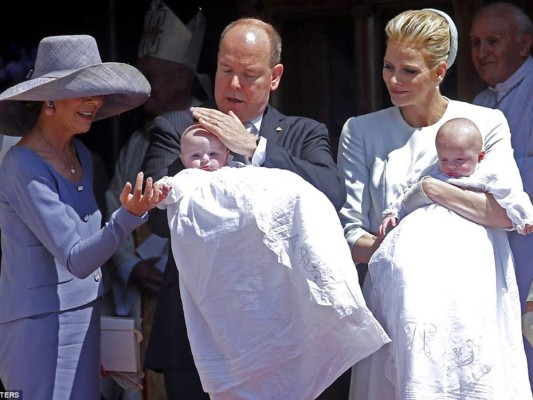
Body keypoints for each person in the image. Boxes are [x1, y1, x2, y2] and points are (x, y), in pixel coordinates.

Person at [142, 17, 347, 400]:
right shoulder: (177, 128)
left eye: (249, 75)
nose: (234, 85)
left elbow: (332, 195)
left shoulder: (303, 133)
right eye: (226, 71)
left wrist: (256, 150)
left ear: (275, 76)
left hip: (281, 333)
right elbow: (157, 218)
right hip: (195, 334)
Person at [337, 8, 532, 399]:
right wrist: (400, 257)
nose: (394, 79)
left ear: (440, 72)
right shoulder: (360, 130)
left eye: (409, 71)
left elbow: (505, 212)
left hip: (471, 305)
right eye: (388, 66)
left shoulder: (485, 122)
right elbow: (349, 232)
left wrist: (432, 190)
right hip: (397, 304)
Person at [0, 34, 168, 400]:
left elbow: (89, 256)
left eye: (97, 92)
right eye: (82, 91)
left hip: (85, 320)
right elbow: (76, 256)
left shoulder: (82, 156)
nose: (94, 102)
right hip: (36, 330)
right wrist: (129, 215)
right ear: (48, 99)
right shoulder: (22, 165)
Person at [102, 2, 209, 398]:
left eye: (152, 76)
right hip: (138, 289)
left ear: (182, 77)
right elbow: (113, 203)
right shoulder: (136, 143)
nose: (144, 86)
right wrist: (129, 267)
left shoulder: (211, 138)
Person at [469, 2, 533, 387]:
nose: (481, 52)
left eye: (492, 41)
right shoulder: (478, 104)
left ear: (524, 45)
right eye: (476, 42)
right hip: (498, 246)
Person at [379, 117, 533, 238]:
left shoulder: (487, 175)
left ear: (479, 157)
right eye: (444, 159)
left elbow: (511, 195)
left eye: (460, 160)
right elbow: (410, 188)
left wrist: (525, 218)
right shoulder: (433, 171)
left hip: (472, 232)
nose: (451, 166)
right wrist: (394, 212)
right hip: (431, 231)